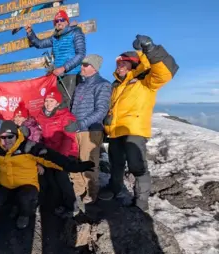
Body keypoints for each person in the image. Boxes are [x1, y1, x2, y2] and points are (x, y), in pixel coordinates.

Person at [0, 121, 94, 229]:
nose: (6, 141)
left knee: (25, 197)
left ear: (17, 135)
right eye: (2, 137)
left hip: (27, 186)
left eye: (10, 137)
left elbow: (54, 158)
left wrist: (76, 167)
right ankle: (13, 206)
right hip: (6, 185)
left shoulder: (29, 147)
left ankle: (26, 213)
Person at [100, 35, 179, 212]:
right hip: (115, 131)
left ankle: (141, 200)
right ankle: (115, 187)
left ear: (134, 64)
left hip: (134, 130)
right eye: (118, 64)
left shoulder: (145, 81)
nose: (119, 66)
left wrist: (149, 49)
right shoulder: (117, 86)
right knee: (116, 164)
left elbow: (165, 73)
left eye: (123, 63)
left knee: (137, 166)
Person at [68, 54, 112, 204]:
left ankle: (92, 194)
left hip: (91, 131)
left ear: (94, 67)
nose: (82, 67)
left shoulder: (103, 85)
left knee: (89, 163)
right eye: (82, 64)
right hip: (76, 130)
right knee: (75, 161)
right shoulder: (80, 86)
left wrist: (80, 124)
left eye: (85, 65)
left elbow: (101, 111)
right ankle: (79, 189)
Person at [26, 10, 86, 109]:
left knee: (69, 103)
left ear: (67, 21)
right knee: (59, 104)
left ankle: (71, 124)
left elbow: (81, 54)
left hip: (72, 74)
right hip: (58, 76)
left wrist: (64, 68)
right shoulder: (55, 38)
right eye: (56, 21)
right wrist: (30, 32)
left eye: (62, 20)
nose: (59, 22)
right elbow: (39, 44)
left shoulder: (76, 32)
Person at [36, 87, 80, 217]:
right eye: (46, 100)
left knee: (61, 176)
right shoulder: (41, 116)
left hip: (66, 153)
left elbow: (68, 139)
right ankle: (57, 203)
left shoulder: (66, 116)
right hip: (51, 153)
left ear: (58, 103)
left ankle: (72, 206)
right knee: (49, 176)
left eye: (51, 101)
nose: (48, 103)